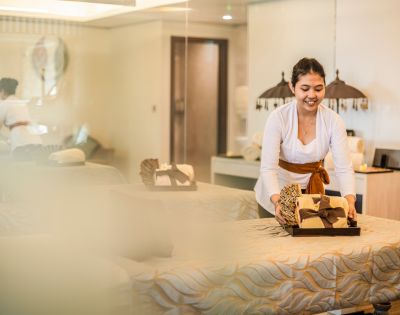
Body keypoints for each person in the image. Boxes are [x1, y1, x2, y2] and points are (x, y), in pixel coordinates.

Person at [254, 58, 357, 224]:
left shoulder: (333, 120)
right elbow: (268, 168)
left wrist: (350, 201)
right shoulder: (279, 117)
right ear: (292, 87)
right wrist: (277, 201)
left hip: (311, 198)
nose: (312, 95)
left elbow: (344, 168)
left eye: (318, 88)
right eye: (305, 88)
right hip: (276, 196)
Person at [0, 77, 43, 159]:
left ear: (2, 91)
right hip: (36, 141)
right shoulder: (21, 103)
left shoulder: (4, 104)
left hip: (21, 143)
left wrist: (5, 139)